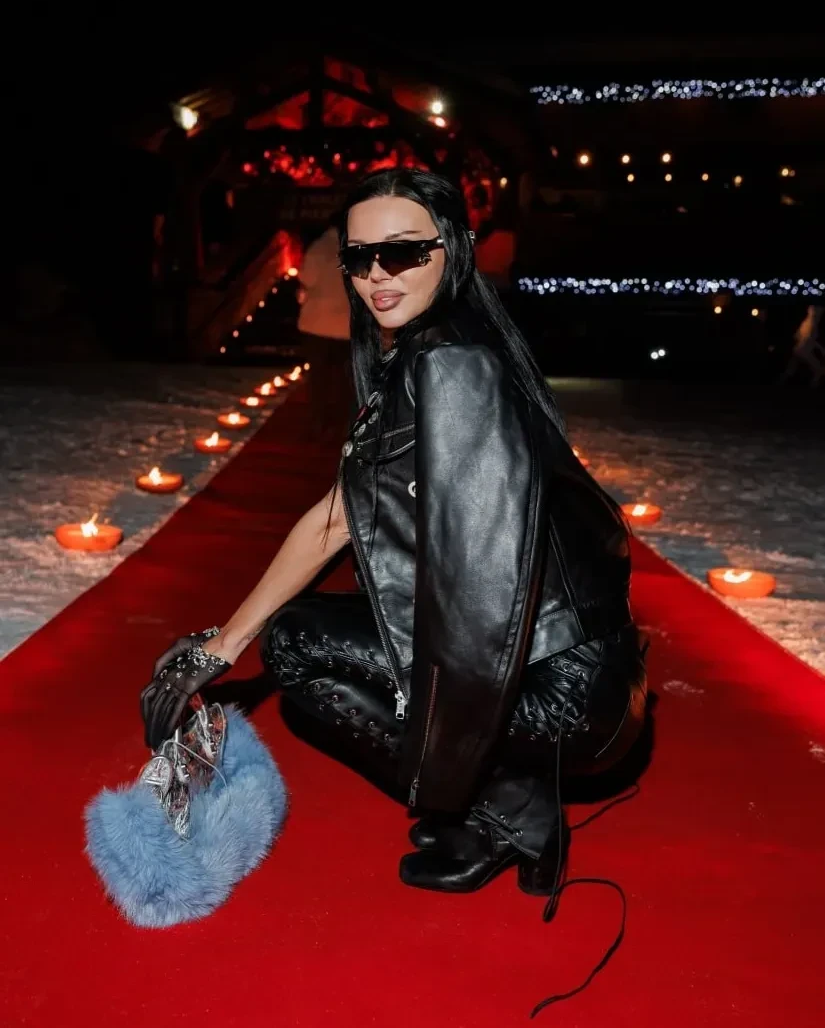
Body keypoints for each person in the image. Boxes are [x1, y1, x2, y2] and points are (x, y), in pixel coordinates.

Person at [140, 168, 647, 952]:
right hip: (570, 668)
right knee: (294, 632)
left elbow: (482, 601)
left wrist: (447, 776)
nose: (377, 274)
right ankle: (500, 797)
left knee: (297, 646)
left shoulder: (453, 364)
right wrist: (219, 645)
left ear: (455, 250)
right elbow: (337, 518)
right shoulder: (432, 351)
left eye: (404, 252)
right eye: (359, 256)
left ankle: (508, 806)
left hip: (559, 689)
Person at [295, 221, 352, 442]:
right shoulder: (359, 249)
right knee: (345, 382)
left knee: (319, 378)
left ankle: (318, 423)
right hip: (347, 328)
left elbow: (306, 280)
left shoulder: (319, 248)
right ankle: (344, 427)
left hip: (317, 325)